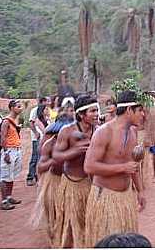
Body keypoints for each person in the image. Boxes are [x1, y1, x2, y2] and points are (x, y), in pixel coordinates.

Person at [84, 90, 146, 247]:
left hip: (125, 198)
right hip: (106, 197)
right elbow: (89, 166)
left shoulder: (132, 132)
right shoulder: (104, 132)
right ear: (128, 110)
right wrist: (122, 168)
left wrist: (140, 191)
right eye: (140, 110)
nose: (143, 114)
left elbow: (133, 166)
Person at [53, 94, 99, 248]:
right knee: (71, 225)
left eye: (97, 110)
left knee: (91, 222)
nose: (96, 114)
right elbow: (57, 156)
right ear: (81, 114)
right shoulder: (66, 131)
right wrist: (75, 151)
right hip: (72, 185)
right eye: (92, 111)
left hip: (91, 184)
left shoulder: (98, 131)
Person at [31, 115, 73, 248]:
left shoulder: (76, 142)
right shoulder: (49, 144)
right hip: (54, 182)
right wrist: (56, 160)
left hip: (72, 183)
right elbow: (41, 167)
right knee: (54, 215)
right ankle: (55, 241)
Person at [0, 99, 24, 210]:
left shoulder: (14, 120)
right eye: (18, 106)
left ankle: (8, 197)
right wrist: (6, 153)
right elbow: (2, 138)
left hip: (16, 149)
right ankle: (4, 201)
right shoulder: (6, 121)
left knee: (11, 175)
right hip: (9, 150)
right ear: (12, 108)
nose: (20, 108)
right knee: (5, 176)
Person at [27, 97, 49, 186]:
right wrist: (36, 133)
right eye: (47, 101)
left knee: (40, 157)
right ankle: (31, 176)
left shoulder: (46, 116)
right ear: (42, 102)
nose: (48, 102)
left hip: (43, 139)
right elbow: (31, 123)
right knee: (36, 157)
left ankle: (38, 177)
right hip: (37, 139)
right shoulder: (35, 111)